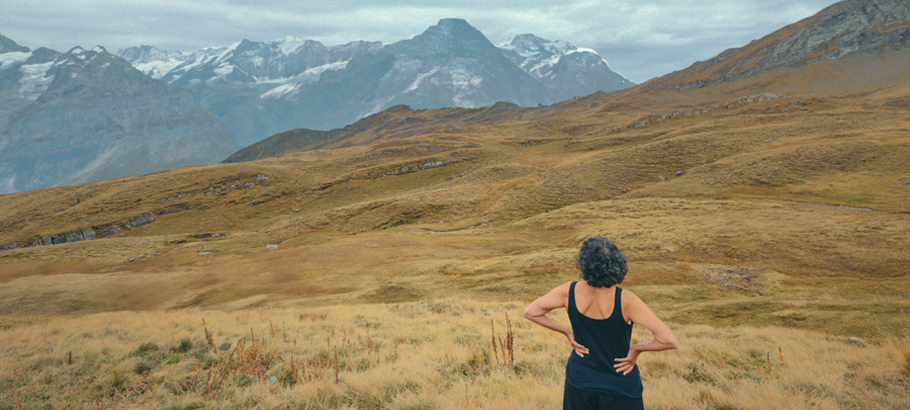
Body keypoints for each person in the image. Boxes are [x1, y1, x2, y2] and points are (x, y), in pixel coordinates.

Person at [523, 236, 678, 410]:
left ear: (584, 263)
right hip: (620, 384)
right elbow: (668, 340)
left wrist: (567, 332)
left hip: (580, 381)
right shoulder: (626, 300)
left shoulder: (569, 291)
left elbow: (531, 312)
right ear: (617, 263)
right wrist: (636, 349)